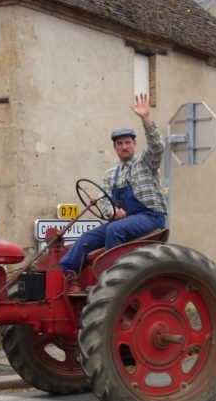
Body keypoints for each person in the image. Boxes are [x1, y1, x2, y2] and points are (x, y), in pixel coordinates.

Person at [59, 93, 167, 281]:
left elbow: (157, 146)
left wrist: (145, 118)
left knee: (114, 230)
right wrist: (112, 213)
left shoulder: (146, 163)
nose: (124, 146)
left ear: (135, 144)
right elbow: (105, 201)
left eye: (127, 142)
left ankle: (113, 281)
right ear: (115, 147)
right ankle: (65, 277)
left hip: (151, 217)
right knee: (86, 239)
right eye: (119, 143)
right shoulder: (110, 175)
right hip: (123, 221)